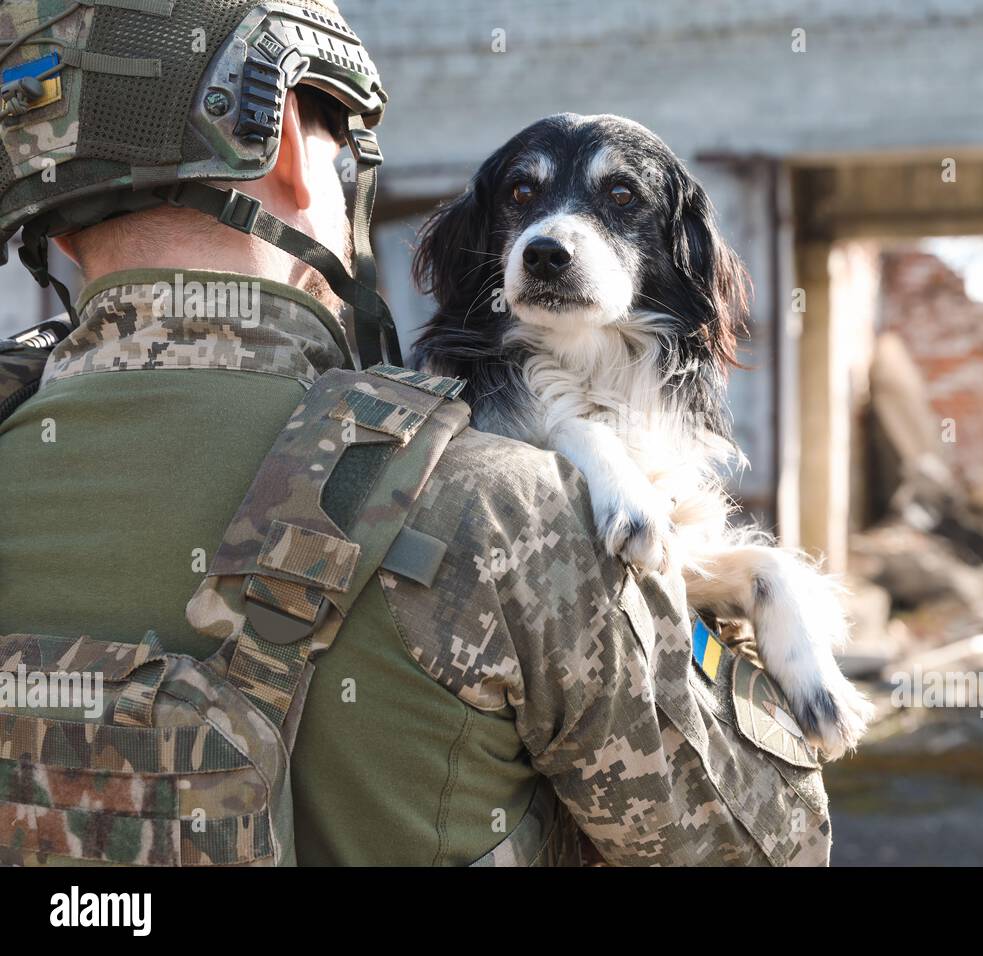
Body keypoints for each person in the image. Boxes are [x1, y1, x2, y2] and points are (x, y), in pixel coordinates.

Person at [0, 0, 830, 865]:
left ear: (54, 215)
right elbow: (773, 844)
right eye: (342, 144)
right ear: (287, 143)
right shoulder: (513, 507)